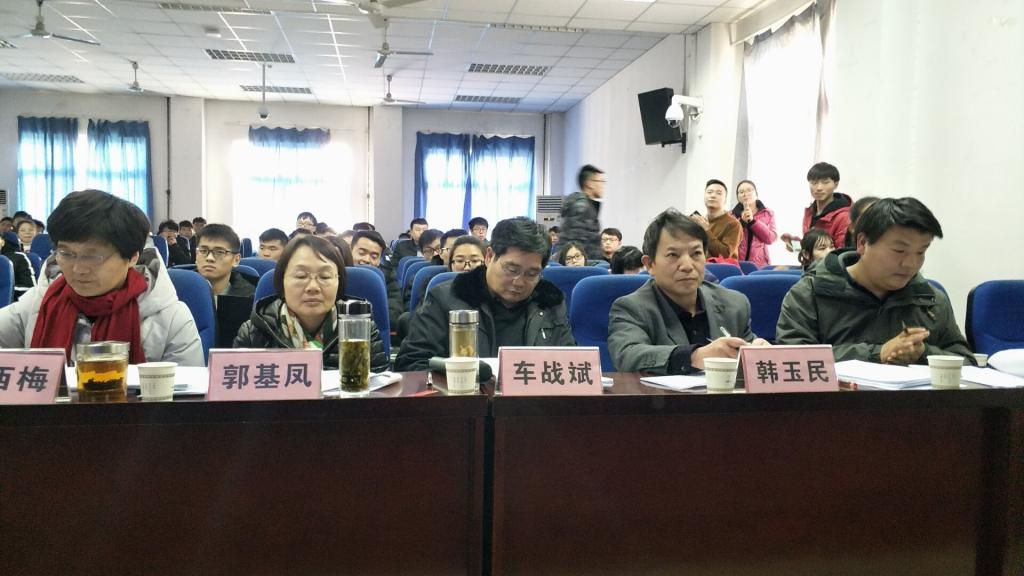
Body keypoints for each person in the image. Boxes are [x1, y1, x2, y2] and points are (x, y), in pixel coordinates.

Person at [0, 190, 203, 366]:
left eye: (93, 256)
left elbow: (186, 396)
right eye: (66, 254)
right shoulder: (38, 302)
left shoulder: (171, 318)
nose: (78, 269)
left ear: (132, 257)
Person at [776, 197, 973, 364]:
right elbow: (792, 361)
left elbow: (966, 361)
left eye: (921, 252)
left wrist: (923, 353)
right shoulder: (811, 293)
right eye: (899, 251)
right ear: (862, 243)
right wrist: (877, 353)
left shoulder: (929, 300)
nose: (911, 264)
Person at [395, 217, 575, 371]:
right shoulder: (446, 299)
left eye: (532, 274)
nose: (519, 282)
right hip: (465, 398)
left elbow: (570, 366)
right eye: (511, 269)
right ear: (489, 256)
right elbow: (411, 364)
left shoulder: (550, 303)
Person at [608, 209, 767, 375]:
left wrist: (760, 352)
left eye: (696, 253)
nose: (687, 265)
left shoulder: (734, 304)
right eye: (673, 255)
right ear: (649, 265)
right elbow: (628, 356)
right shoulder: (631, 308)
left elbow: (748, 357)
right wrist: (694, 357)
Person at [234, 235, 388, 372]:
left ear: (339, 282)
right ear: (282, 281)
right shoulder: (253, 332)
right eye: (301, 276)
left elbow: (379, 389)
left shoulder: (360, 327)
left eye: (325, 276)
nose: (313, 287)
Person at [781, 162, 853, 252]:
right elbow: (811, 249)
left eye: (825, 182)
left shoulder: (845, 217)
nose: (819, 188)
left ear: (836, 184)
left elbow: (841, 254)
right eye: (814, 182)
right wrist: (795, 245)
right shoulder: (810, 212)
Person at [350, 230, 403, 330]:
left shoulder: (386, 276)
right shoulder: (336, 273)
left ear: (379, 260)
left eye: (374, 256)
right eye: (361, 253)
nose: (367, 259)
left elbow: (393, 314)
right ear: (350, 251)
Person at [195, 223, 256, 298]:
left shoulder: (250, 296)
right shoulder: (181, 287)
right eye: (203, 251)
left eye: (219, 252)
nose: (209, 258)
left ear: (236, 260)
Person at [560, 165, 605, 261]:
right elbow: (577, 246)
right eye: (601, 181)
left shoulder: (586, 205)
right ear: (590, 184)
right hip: (581, 265)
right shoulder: (582, 208)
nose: (603, 186)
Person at [731, 179, 777, 268]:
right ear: (737, 197)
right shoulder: (730, 215)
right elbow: (729, 239)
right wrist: (742, 222)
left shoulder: (768, 213)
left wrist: (753, 222)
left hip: (760, 265)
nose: (745, 194)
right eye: (741, 192)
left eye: (749, 190)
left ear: (756, 193)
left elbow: (771, 239)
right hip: (736, 264)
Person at [691, 179, 741, 260]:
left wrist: (706, 230)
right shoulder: (699, 220)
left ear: (725, 200)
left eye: (719, 193)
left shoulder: (733, 224)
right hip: (700, 264)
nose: (713, 196)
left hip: (721, 267)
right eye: (709, 192)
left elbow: (725, 254)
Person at [0, 231, 36, 301]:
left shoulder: (19, 258)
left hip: (12, 303)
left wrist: (7, 288)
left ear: (3, 242)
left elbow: (29, 287)